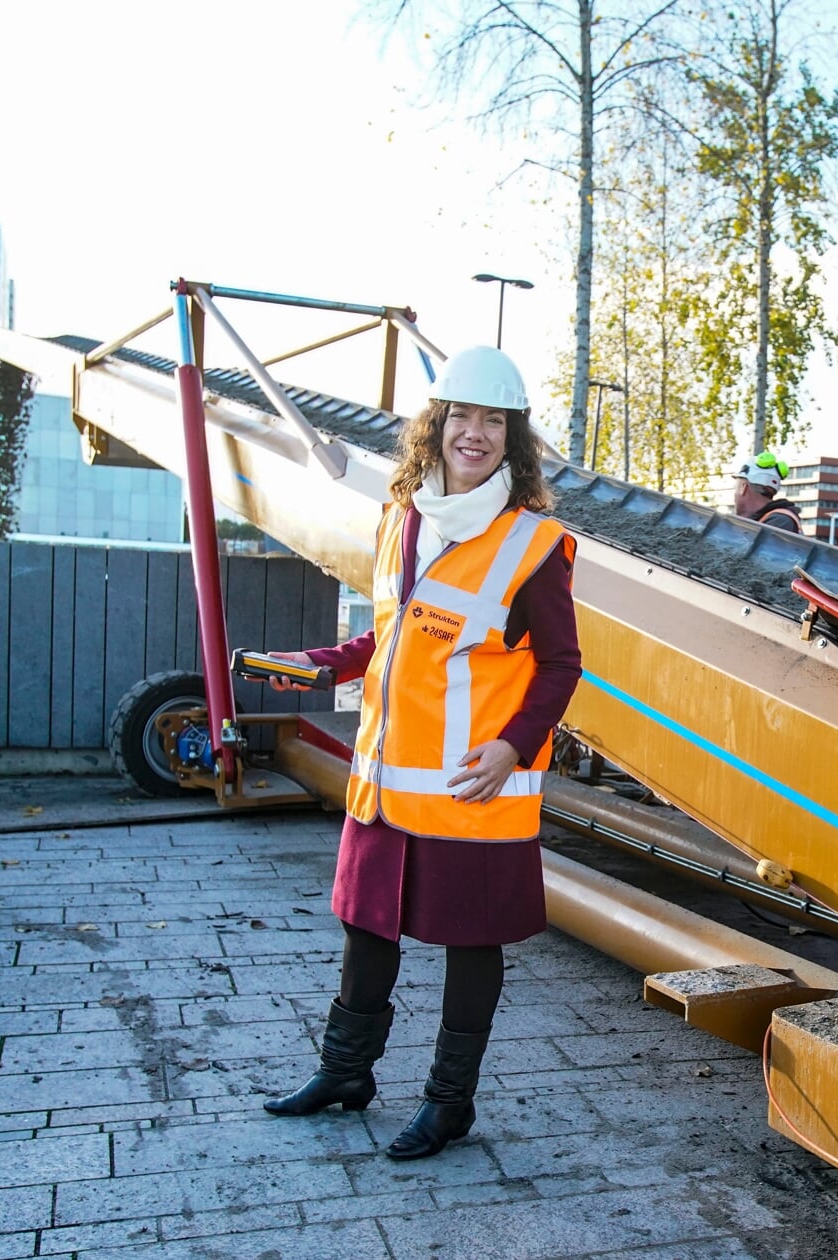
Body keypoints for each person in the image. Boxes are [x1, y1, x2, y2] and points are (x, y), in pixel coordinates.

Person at [255, 345, 581, 1161]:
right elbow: (392, 632)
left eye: (493, 421)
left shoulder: (536, 544)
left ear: (513, 438)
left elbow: (560, 663)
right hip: (384, 783)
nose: (474, 434)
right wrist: (328, 663)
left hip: (474, 785)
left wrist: (514, 746)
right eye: (461, 417)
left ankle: (448, 1104)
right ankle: (344, 1075)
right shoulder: (402, 518)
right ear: (434, 427)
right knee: (367, 929)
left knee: (472, 947)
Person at [728, 451, 802, 532]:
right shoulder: (769, 521)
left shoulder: (779, 522)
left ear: (743, 488)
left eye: (736, 487)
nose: (734, 495)